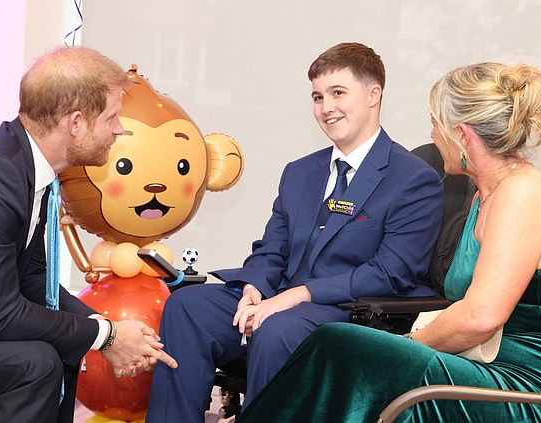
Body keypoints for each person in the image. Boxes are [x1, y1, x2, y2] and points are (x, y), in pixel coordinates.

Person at [235, 62, 541, 423]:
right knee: (343, 346)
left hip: (540, 384)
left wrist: (406, 344)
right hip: (490, 364)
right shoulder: (484, 196)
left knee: (343, 345)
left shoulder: (524, 195)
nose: (432, 136)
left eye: (436, 123)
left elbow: (480, 318)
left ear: (463, 135)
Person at [146, 42, 444, 422]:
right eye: (318, 97)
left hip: (348, 313)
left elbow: (391, 272)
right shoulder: (299, 172)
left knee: (277, 328)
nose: (326, 107)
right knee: (188, 306)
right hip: (282, 301)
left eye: (338, 93)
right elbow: (272, 249)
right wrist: (255, 287)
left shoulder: (414, 179)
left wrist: (296, 296)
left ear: (373, 95)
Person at [0, 46, 177, 423]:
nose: (119, 128)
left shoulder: (28, 168)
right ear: (75, 122)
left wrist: (104, 329)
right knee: (37, 362)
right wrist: (106, 335)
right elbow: (0, 316)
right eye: (111, 117)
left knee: (60, 349)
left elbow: (34, 279)